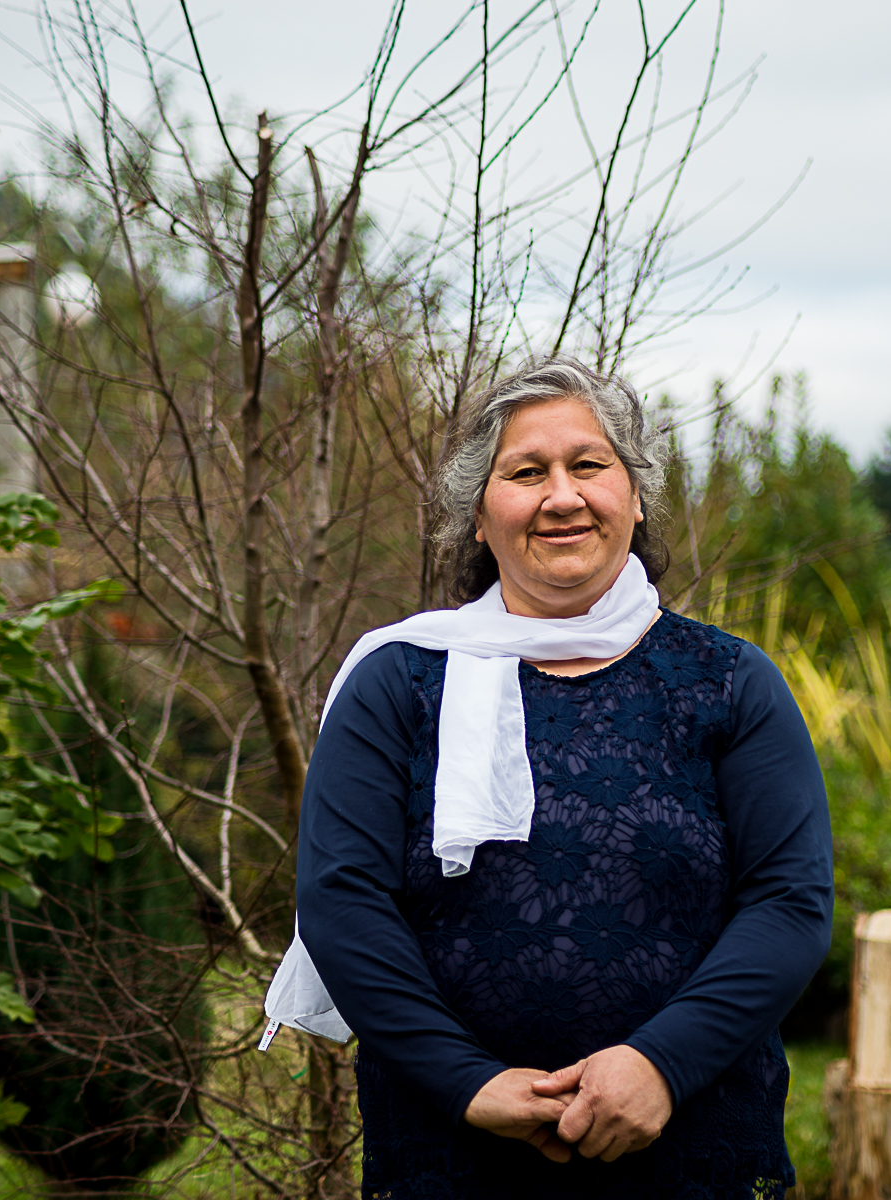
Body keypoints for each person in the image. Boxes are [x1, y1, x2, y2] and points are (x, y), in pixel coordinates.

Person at [286, 357, 833, 1199]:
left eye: (588, 465)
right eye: (525, 472)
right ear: (479, 514)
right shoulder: (397, 683)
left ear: (635, 496)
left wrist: (658, 1066)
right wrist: (468, 1081)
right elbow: (343, 902)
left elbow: (789, 903)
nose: (562, 496)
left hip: (687, 1144)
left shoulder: (727, 680)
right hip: (453, 1151)